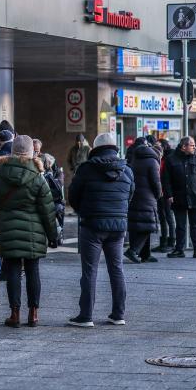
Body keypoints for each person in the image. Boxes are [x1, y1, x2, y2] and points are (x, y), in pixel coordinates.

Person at [0, 135, 56, 328]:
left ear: (12, 151)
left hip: (8, 229)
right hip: (34, 232)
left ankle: (14, 314)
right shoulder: (38, 177)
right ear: (32, 152)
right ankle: (33, 314)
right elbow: (48, 210)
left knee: (13, 271)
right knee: (33, 271)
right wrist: (53, 236)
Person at [67, 132, 134, 327]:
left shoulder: (86, 169)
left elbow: (73, 196)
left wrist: (83, 211)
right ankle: (118, 314)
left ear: (95, 148)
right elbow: (130, 195)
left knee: (89, 271)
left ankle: (86, 316)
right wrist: (119, 212)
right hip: (118, 226)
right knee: (117, 268)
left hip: (92, 225)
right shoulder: (127, 170)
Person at [162, 136, 196, 258]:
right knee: (180, 225)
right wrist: (169, 194)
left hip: (195, 197)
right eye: (192, 145)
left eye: (194, 145)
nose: (194, 147)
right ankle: (179, 250)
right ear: (184, 146)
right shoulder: (171, 159)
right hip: (178, 197)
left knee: (195, 225)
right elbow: (166, 180)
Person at [125, 138, 161, 265]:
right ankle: (133, 251)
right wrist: (158, 194)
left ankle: (145, 254)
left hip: (135, 195)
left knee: (137, 226)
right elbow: (156, 182)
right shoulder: (152, 161)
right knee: (148, 226)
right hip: (147, 197)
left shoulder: (134, 159)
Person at [153, 139, 177, 253]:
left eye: (158, 145)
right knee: (162, 217)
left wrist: (169, 192)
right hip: (160, 192)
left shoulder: (169, 158)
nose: (156, 148)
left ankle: (171, 242)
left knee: (169, 217)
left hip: (167, 192)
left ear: (164, 146)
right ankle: (163, 242)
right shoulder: (161, 158)